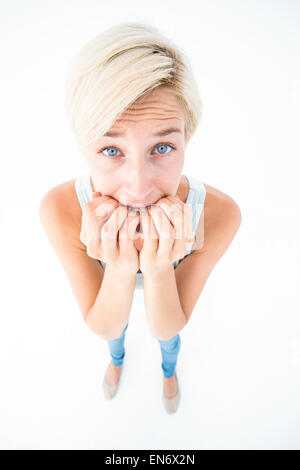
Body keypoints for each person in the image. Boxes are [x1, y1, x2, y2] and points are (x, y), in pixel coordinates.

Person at [39, 22, 241, 414]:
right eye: (111, 150)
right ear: (84, 146)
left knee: (169, 343)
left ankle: (169, 371)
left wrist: (160, 268)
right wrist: (117, 269)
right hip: (108, 312)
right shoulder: (59, 208)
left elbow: (169, 324)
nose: (138, 188)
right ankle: (116, 362)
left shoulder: (219, 214)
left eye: (162, 147)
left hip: (169, 315)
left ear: (188, 138)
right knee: (115, 340)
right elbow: (103, 322)